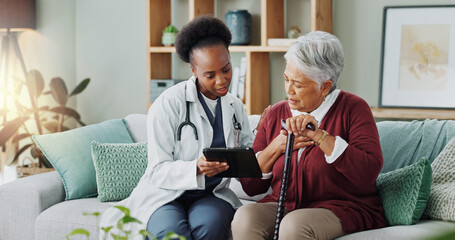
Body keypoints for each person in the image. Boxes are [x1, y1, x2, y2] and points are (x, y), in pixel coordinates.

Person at [99, 15, 254, 240]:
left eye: (226, 69)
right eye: (210, 75)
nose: (221, 81)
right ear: (193, 70)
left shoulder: (235, 106)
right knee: (171, 233)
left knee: (209, 226)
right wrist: (196, 168)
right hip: (164, 196)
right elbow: (157, 169)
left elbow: (248, 157)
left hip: (210, 195)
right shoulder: (168, 103)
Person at [231, 31, 387, 240]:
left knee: (294, 226)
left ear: (325, 86)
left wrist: (320, 137)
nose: (289, 90)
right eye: (286, 79)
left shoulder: (353, 108)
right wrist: (277, 147)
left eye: (298, 84)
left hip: (342, 208)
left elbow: (367, 173)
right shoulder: (277, 113)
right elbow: (250, 187)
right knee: (245, 216)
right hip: (284, 205)